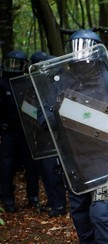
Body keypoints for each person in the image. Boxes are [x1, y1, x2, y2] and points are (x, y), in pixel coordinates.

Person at [36, 29, 108, 244]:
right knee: (80, 214)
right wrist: (58, 112)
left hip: (106, 158)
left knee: (102, 212)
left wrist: (88, 117)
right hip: (74, 160)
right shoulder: (62, 81)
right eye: (75, 50)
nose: (79, 56)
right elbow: (41, 118)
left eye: (85, 50)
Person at [0, 50, 41, 213]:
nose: (14, 67)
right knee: (6, 165)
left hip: (26, 131)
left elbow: (33, 104)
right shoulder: (1, 83)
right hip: (8, 132)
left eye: (18, 63)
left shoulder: (27, 82)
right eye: (12, 63)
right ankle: (8, 198)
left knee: (31, 165)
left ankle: (33, 197)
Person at [30, 51, 68, 217]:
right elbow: (41, 115)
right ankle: (56, 203)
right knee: (48, 172)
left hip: (67, 140)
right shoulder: (42, 88)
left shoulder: (68, 85)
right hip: (46, 139)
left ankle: (62, 205)